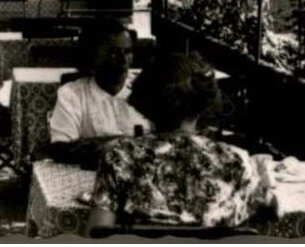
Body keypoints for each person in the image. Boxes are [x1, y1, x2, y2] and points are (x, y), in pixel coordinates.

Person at [87, 51, 277, 233]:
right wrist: (263, 178)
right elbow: (274, 211)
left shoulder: (119, 156)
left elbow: (98, 234)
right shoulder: (236, 160)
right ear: (203, 103)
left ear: (143, 100)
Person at [46, 28, 150, 167]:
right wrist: (129, 142)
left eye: (128, 52)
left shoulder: (148, 90)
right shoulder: (72, 95)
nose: (123, 60)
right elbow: (60, 148)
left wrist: (97, 143)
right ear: (92, 57)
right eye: (113, 53)